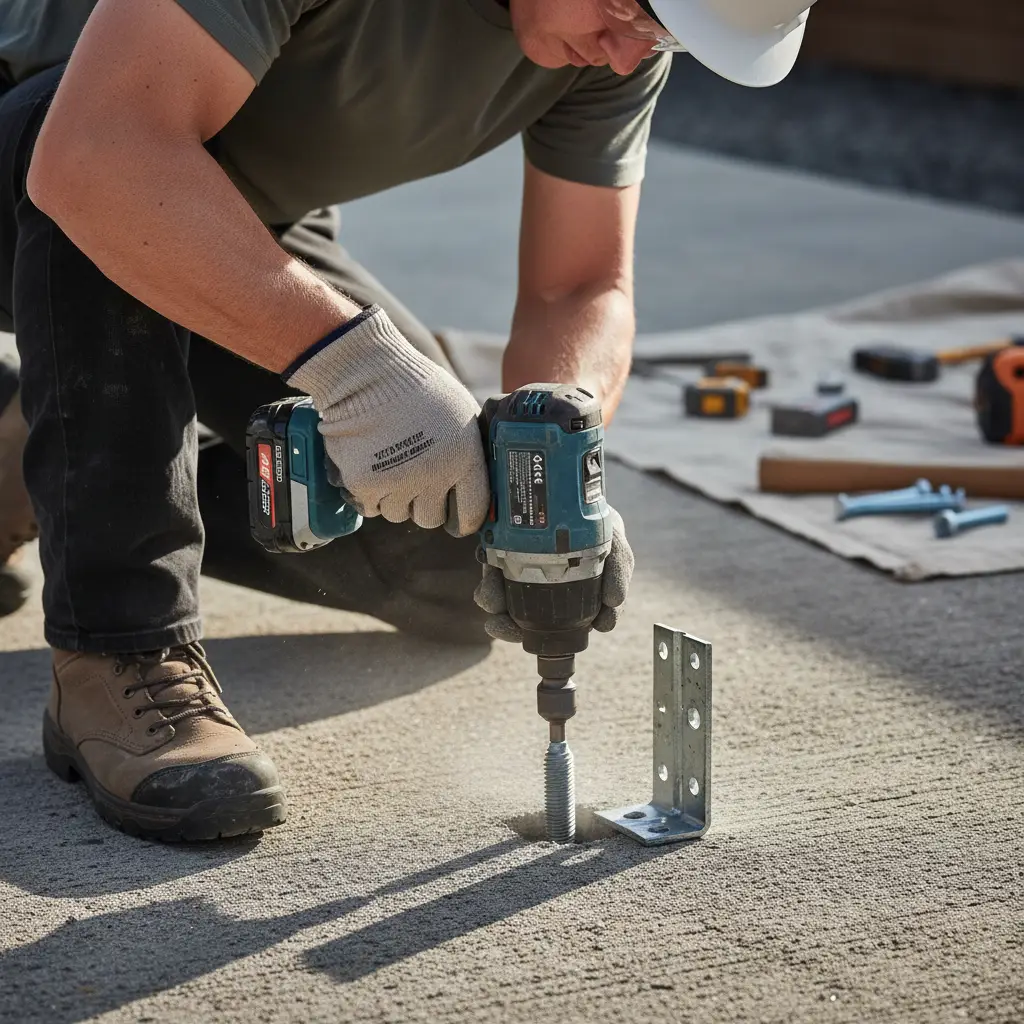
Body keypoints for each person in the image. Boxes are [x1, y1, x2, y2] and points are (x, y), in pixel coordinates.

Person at [0, 0, 815, 840]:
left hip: (235, 209)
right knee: (100, 161)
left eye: (661, 35)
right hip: (56, 160)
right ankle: (118, 647)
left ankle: (45, 446)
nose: (625, 51)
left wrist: (550, 460)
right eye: (626, 11)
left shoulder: (620, 40)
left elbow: (579, 288)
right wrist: (356, 369)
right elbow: (96, 153)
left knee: (460, 554)